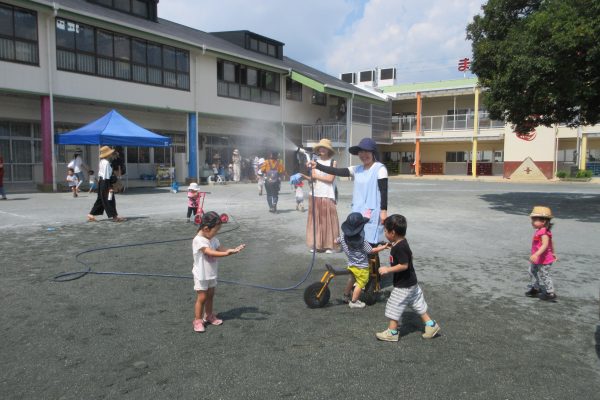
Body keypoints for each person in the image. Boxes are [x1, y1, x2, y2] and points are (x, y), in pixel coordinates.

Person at [309, 137, 388, 244]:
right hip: (357, 211)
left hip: (372, 212)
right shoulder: (357, 169)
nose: (363, 155)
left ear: (373, 152)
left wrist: (383, 211)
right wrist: (318, 166)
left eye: (366, 151)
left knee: (371, 247)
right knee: (357, 244)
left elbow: (383, 191)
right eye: (361, 152)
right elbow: (337, 171)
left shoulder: (380, 168)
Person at [375, 214, 441, 342]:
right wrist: (391, 246)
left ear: (392, 232)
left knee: (394, 304)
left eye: (385, 231)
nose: (384, 233)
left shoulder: (400, 247)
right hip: (411, 282)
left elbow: (404, 265)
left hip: (404, 285)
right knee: (417, 303)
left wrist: (387, 269)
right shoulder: (400, 243)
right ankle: (431, 325)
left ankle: (392, 332)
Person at [192, 211, 246, 333]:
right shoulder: (199, 240)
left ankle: (209, 315)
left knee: (210, 295)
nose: (216, 233)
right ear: (206, 228)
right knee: (202, 297)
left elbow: (219, 248)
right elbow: (209, 252)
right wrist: (226, 254)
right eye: (215, 230)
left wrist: (232, 250)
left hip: (211, 273)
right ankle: (198, 320)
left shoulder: (213, 238)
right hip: (201, 275)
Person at [338, 212, 388, 309]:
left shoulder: (343, 237)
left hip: (351, 264)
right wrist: (383, 247)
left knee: (352, 280)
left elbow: (337, 241)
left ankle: (345, 296)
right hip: (362, 267)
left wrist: (336, 241)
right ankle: (354, 301)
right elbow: (371, 250)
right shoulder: (362, 242)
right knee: (361, 283)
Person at [305, 138, 340, 253]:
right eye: (320, 147)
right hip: (315, 193)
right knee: (316, 220)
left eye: (324, 147)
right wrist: (303, 174)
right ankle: (317, 244)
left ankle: (331, 245)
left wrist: (316, 176)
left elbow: (330, 179)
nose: (322, 149)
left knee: (328, 220)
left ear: (328, 150)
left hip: (328, 193)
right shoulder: (315, 161)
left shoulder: (332, 162)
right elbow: (313, 176)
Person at [526, 206, 558, 301]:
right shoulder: (540, 231)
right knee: (532, 271)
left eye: (534, 220)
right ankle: (536, 288)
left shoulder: (543, 232)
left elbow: (545, 245)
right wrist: (554, 252)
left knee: (544, 274)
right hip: (538, 259)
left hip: (544, 260)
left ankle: (550, 292)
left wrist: (536, 254)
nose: (532, 222)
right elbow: (551, 243)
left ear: (543, 222)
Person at [87, 146, 126, 222]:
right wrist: (110, 187)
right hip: (106, 182)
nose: (111, 154)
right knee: (110, 199)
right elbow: (107, 176)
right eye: (110, 153)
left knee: (100, 200)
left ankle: (91, 214)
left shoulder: (102, 162)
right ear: (108, 154)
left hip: (102, 182)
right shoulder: (106, 163)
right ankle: (115, 217)